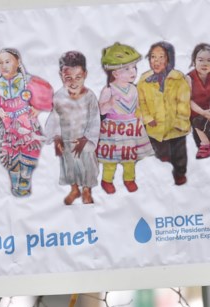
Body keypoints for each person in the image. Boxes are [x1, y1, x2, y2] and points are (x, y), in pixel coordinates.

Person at [0, 48, 54, 197]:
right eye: (0, 63)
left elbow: (46, 94)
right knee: (10, 155)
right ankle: (15, 181)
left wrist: (38, 108)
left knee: (30, 151)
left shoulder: (28, 81)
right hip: (8, 127)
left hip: (27, 124)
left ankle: (26, 178)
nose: (3, 66)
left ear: (18, 62)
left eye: (7, 61)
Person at [43, 51, 100, 206]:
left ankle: (87, 190)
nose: (73, 82)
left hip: (84, 141)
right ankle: (75, 189)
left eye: (78, 77)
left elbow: (95, 120)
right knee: (69, 167)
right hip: (67, 140)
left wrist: (87, 139)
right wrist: (56, 138)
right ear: (61, 75)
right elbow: (55, 118)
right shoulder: (59, 96)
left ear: (85, 74)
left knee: (87, 166)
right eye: (68, 78)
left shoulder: (90, 97)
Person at [96, 42, 153, 195]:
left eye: (134, 67)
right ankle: (107, 180)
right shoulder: (108, 89)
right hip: (113, 129)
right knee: (111, 158)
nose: (132, 71)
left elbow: (140, 106)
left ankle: (129, 178)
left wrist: (143, 118)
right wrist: (109, 104)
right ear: (115, 73)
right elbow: (100, 109)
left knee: (129, 156)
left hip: (131, 128)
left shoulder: (134, 89)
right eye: (127, 68)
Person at [137, 41, 191, 186]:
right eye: (153, 57)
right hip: (155, 128)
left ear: (169, 59)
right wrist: (147, 118)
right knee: (159, 153)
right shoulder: (144, 80)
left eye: (161, 57)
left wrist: (180, 121)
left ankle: (180, 174)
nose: (157, 61)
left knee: (179, 155)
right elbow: (141, 103)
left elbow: (183, 101)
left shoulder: (178, 79)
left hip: (175, 128)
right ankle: (163, 169)